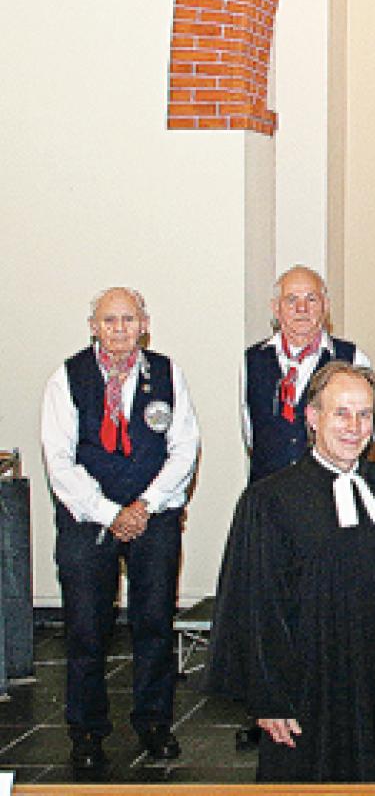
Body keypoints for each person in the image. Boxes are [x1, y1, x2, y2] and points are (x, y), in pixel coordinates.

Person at [208, 362, 375, 782]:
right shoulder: (270, 501)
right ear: (313, 417)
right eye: (341, 413)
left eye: (364, 414)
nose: (354, 427)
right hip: (311, 690)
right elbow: (256, 607)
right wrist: (269, 698)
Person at [38, 288, 200, 772]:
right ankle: (87, 731)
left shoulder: (167, 374)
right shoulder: (67, 378)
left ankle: (154, 723)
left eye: (128, 319)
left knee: (154, 624)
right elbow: (59, 461)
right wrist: (111, 512)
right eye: (109, 320)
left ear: (144, 324)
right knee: (87, 629)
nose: (119, 329)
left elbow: (185, 448)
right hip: (88, 519)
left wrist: (145, 504)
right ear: (93, 326)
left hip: (155, 515)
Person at [240, 266, 371, 483]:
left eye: (311, 299)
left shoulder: (352, 358)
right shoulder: (251, 361)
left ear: (325, 306)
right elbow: (250, 434)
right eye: (291, 300)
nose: (302, 309)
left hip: (330, 491)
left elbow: (365, 432)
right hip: (267, 492)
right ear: (276, 308)